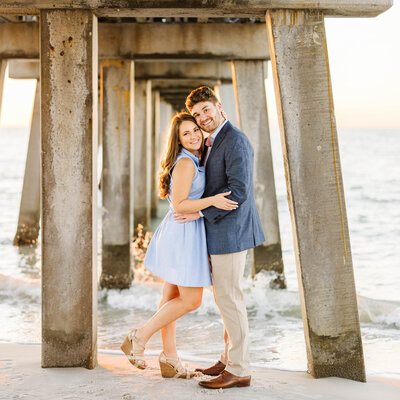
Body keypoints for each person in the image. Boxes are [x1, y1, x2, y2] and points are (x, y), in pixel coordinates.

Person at [121, 112, 238, 379]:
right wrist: (213, 201)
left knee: (169, 298)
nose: (194, 135)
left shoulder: (196, 158)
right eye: (186, 133)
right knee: (191, 300)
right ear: (178, 139)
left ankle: (170, 359)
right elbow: (179, 204)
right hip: (183, 232)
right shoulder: (185, 163)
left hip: (186, 231)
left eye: (196, 130)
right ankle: (139, 337)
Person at [174, 86, 265, 389]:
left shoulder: (235, 140)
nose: (202, 118)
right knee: (225, 297)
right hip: (221, 230)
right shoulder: (213, 141)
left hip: (232, 231)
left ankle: (239, 369)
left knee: (230, 298)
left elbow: (238, 193)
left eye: (206, 110)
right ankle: (228, 359)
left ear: (219, 106)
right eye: (197, 114)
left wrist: (199, 213)